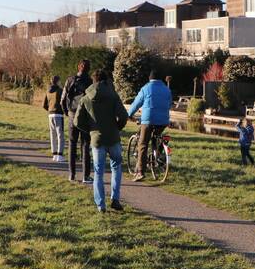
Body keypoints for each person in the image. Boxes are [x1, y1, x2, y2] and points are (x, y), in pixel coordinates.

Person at [74, 69, 129, 213]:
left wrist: (90, 130)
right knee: (116, 167)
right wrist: (118, 127)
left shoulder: (85, 98)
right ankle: (115, 199)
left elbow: (77, 122)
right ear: (105, 81)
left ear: (93, 81)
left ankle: (101, 205)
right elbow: (124, 116)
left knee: (98, 172)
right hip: (113, 137)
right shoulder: (113, 95)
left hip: (97, 139)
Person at [127, 69, 173, 180]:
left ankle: (140, 172)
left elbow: (136, 103)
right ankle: (158, 155)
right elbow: (169, 104)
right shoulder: (167, 90)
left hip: (148, 120)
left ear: (150, 78)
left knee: (143, 144)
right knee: (156, 138)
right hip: (163, 121)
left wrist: (129, 114)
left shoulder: (146, 88)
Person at [61, 59, 93, 184]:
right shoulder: (90, 81)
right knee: (85, 145)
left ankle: (72, 174)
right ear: (88, 69)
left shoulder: (70, 80)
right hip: (85, 116)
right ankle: (86, 176)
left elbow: (62, 99)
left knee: (72, 144)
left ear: (78, 67)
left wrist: (67, 112)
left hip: (72, 114)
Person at [43, 75, 65, 162]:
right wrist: (64, 111)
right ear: (58, 81)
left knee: (52, 135)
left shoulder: (47, 91)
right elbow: (64, 102)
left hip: (50, 115)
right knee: (60, 135)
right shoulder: (60, 90)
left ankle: (54, 154)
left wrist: (49, 110)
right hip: (58, 114)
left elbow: (44, 105)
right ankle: (60, 155)